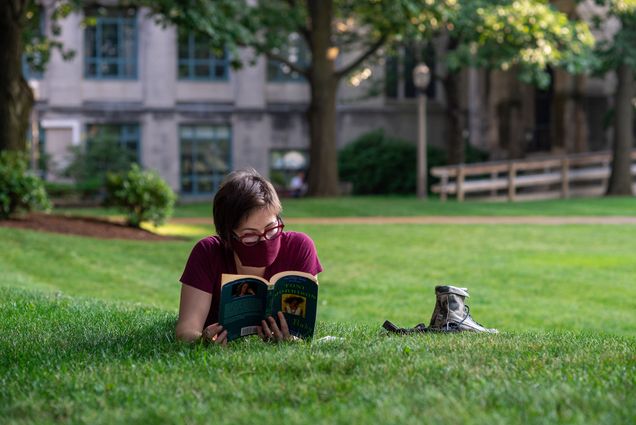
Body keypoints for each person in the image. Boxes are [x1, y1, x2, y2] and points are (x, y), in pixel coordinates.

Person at [175, 168, 323, 345]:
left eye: (271, 228)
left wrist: (291, 339)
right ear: (228, 235)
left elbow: (303, 330)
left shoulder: (299, 247)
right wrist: (203, 341)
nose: (264, 239)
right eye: (249, 235)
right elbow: (186, 331)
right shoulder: (207, 252)